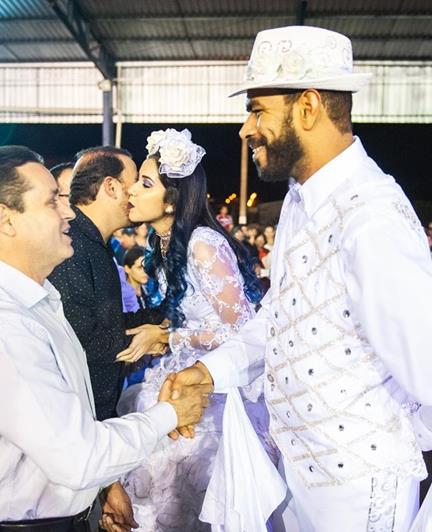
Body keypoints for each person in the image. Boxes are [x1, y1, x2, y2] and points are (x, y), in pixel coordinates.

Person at [161, 26, 432, 531]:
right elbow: (281, 318)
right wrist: (212, 371)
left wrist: (402, 435)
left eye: (257, 110)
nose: (245, 129)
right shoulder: (302, 201)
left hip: (357, 495)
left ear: (308, 107)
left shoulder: (370, 219)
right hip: (296, 477)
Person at [0, 145, 210, 530]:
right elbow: (79, 457)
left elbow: (68, 421)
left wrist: (103, 488)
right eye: (52, 202)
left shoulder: (36, 298)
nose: (69, 212)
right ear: (5, 220)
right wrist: (171, 414)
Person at [118, 128, 271, 531]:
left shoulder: (203, 243)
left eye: (145, 183)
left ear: (172, 200)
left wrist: (169, 338)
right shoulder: (164, 242)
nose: (132, 190)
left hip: (211, 394)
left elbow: (245, 333)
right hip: (177, 379)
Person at [48, 146, 166, 421]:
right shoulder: (71, 245)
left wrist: (166, 315)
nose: (136, 192)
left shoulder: (96, 243)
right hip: (78, 415)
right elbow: (82, 340)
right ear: (111, 187)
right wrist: (154, 338)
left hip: (98, 406)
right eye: (134, 182)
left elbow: (108, 323)